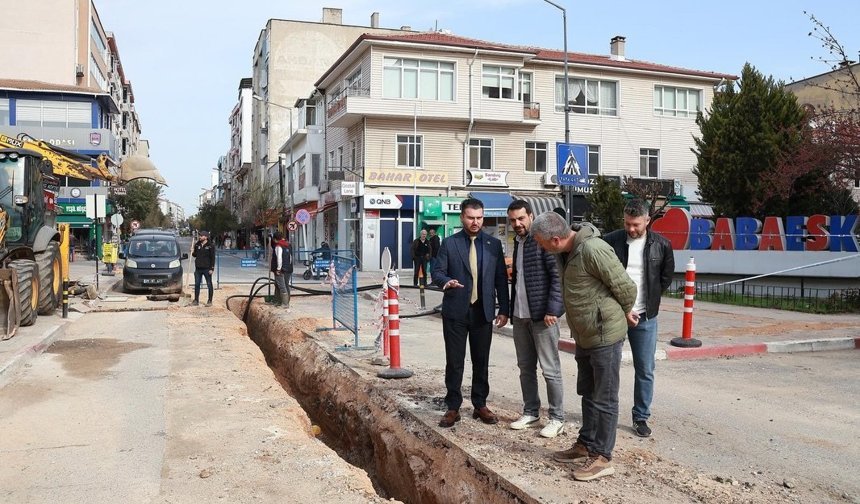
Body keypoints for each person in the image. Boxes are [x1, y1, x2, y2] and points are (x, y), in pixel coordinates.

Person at [530, 212, 636, 482]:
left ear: (555, 239)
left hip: (604, 334)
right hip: (585, 334)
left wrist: (622, 311)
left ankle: (602, 457)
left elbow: (626, 287)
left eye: (541, 243)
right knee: (587, 392)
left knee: (605, 397)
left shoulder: (593, 249)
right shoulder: (564, 252)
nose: (540, 247)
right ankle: (586, 443)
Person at [432, 198, 510, 428]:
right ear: (462, 218)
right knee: (454, 361)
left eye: (479, 218)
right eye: (470, 217)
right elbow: (436, 272)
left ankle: (480, 404)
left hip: (482, 312)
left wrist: (504, 309)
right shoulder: (449, 243)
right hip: (456, 311)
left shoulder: (493, 245)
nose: (475, 222)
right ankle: (453, 406)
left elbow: (500, 281)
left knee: (481, 360)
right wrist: (447, 281)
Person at [602, 199, 674, 438]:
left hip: (645, 318)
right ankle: (604, 414)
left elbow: (664, 280)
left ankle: (641, 416)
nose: (631, 229)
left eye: (635, 224)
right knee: (607, 367)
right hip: (616, 316)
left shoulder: (662, 246)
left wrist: (646, 304)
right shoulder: (611, 241)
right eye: (627, 224)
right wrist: (621, 308)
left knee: (645, 369)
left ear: (647, 221)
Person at [506, 200, 566, 438]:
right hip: (521, 316)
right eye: (512, 220)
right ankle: (531, 412)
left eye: (521, 218)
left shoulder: (542, 240)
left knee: (550, 370)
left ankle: (557, 417)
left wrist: (553, 309)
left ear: (531, 215)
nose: (517, 224)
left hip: (544, 317)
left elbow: (557, 278)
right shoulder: (518, 243)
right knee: (525, 368)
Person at [191, 231, 216, 307]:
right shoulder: (197, 244)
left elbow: (213, 258)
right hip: (198, 269)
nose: (200, 237)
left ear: (206, 237)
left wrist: (212, 268)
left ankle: (209, 301)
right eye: (199, 236)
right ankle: (196, 300)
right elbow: (195, 255)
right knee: (197, 284)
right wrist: (192, 251)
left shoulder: (210, 246)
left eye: (201, 236)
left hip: (207, 269)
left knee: (209, 284)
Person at [270, 231, 292, 308]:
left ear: (275, 239)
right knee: (285, 285)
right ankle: (283, 301)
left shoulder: (278, 246)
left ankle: (285, 304)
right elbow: (290, 258)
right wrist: (288, 267)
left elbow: (279, 258)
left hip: (281, 270)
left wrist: (278, 269)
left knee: (282, 286)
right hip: (288, 268)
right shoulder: (288, 245)